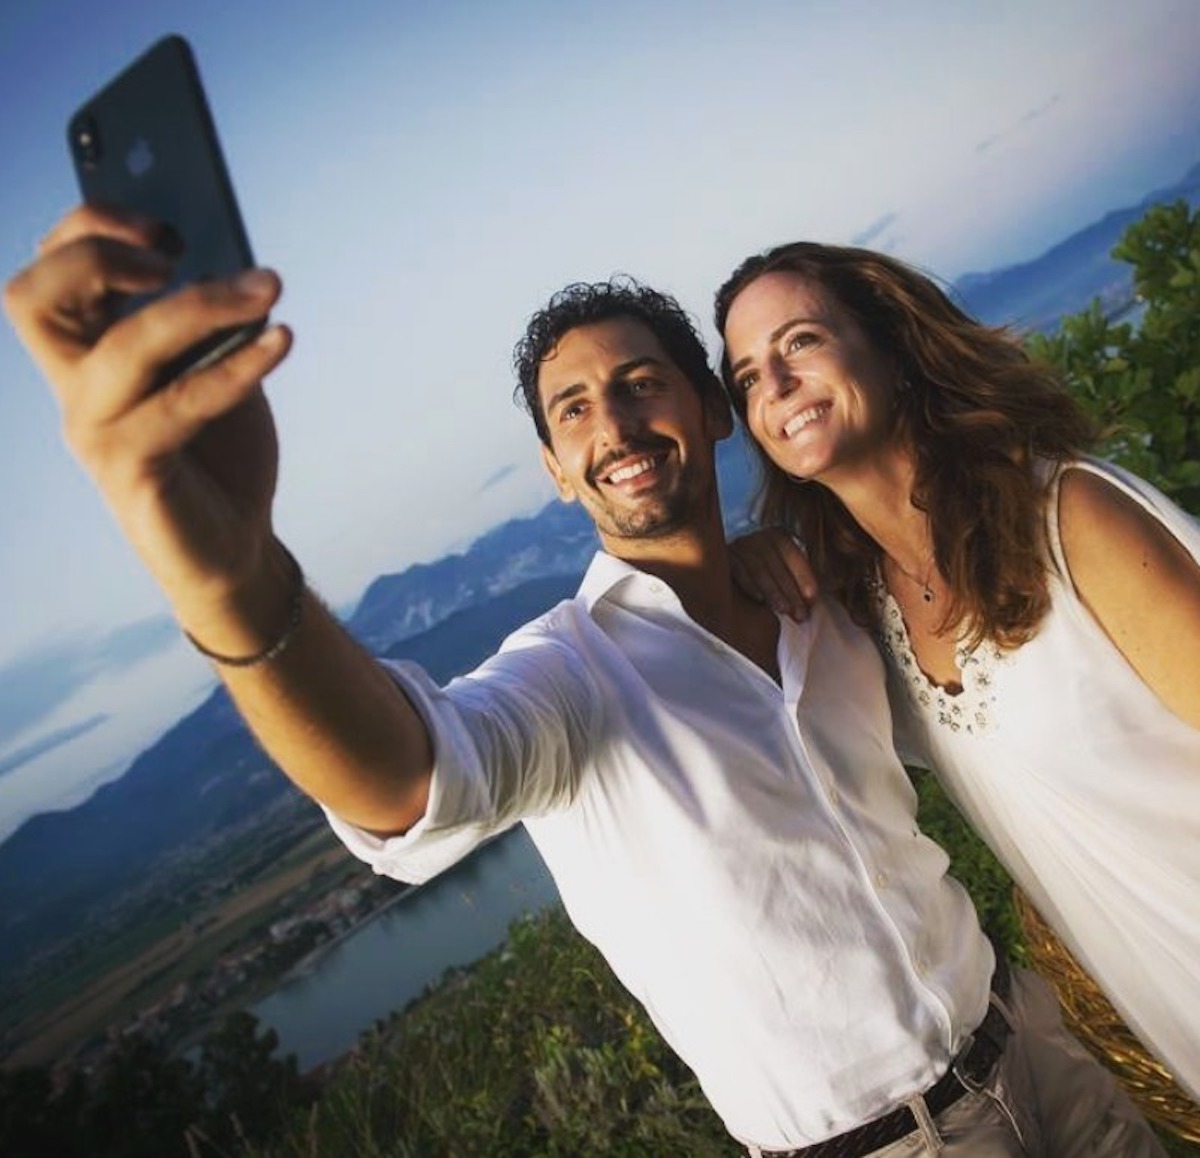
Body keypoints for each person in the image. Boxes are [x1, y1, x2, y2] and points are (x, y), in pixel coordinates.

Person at [5, 206, 1164, 1157]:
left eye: (642, 384)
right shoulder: (570, 677)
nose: (615, 422)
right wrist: (229, 574)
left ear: (712, 411)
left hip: (1039, 1048)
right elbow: (409, 778)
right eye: (574, 411)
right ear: (559, 474)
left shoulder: (828, 603)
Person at [715, 239, 1200, 1103]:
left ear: (892, 346)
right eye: (748, 376)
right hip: (1172, 992)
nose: (777, 387)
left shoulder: (1067, 518)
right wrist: (743, 562)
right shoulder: (860, 618)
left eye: (799, 342)